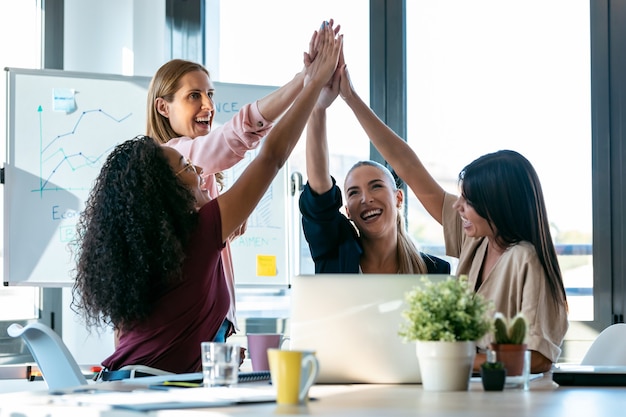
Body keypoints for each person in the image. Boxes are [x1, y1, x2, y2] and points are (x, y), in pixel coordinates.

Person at [70, 21, 343, 374]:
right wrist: (311, 83)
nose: (199, 171)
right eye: (187, 168)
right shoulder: (199, 228)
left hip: (126, 380)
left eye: (209, 94)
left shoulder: (149, 246)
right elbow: (270, 155)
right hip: (148, 390)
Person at [333, 58, 568, 373]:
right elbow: (408, 166)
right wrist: (350, 97)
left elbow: (538, 357)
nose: (457, 207)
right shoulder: (478, 242)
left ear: (497, 205)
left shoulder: (526, 259)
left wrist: (447, 362)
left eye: (468, 201)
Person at [145, 29, 323, 343]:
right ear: (163, 107)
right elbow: (245, 137)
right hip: (194, 330)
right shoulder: (175, 155)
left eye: (210, 94)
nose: (207, 105)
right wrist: (305, 81)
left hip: (208, 328)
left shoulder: (196, 172)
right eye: (194, 96)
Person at [299, 40, 449, 275]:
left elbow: (408, 164)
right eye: (354, 192)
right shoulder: (335, 255)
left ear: (399, 198)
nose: (365, 198)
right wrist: (317, 108)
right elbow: (319, 195)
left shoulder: (434, 271)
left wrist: (350, 96)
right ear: (347, 211)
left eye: (376, 186)